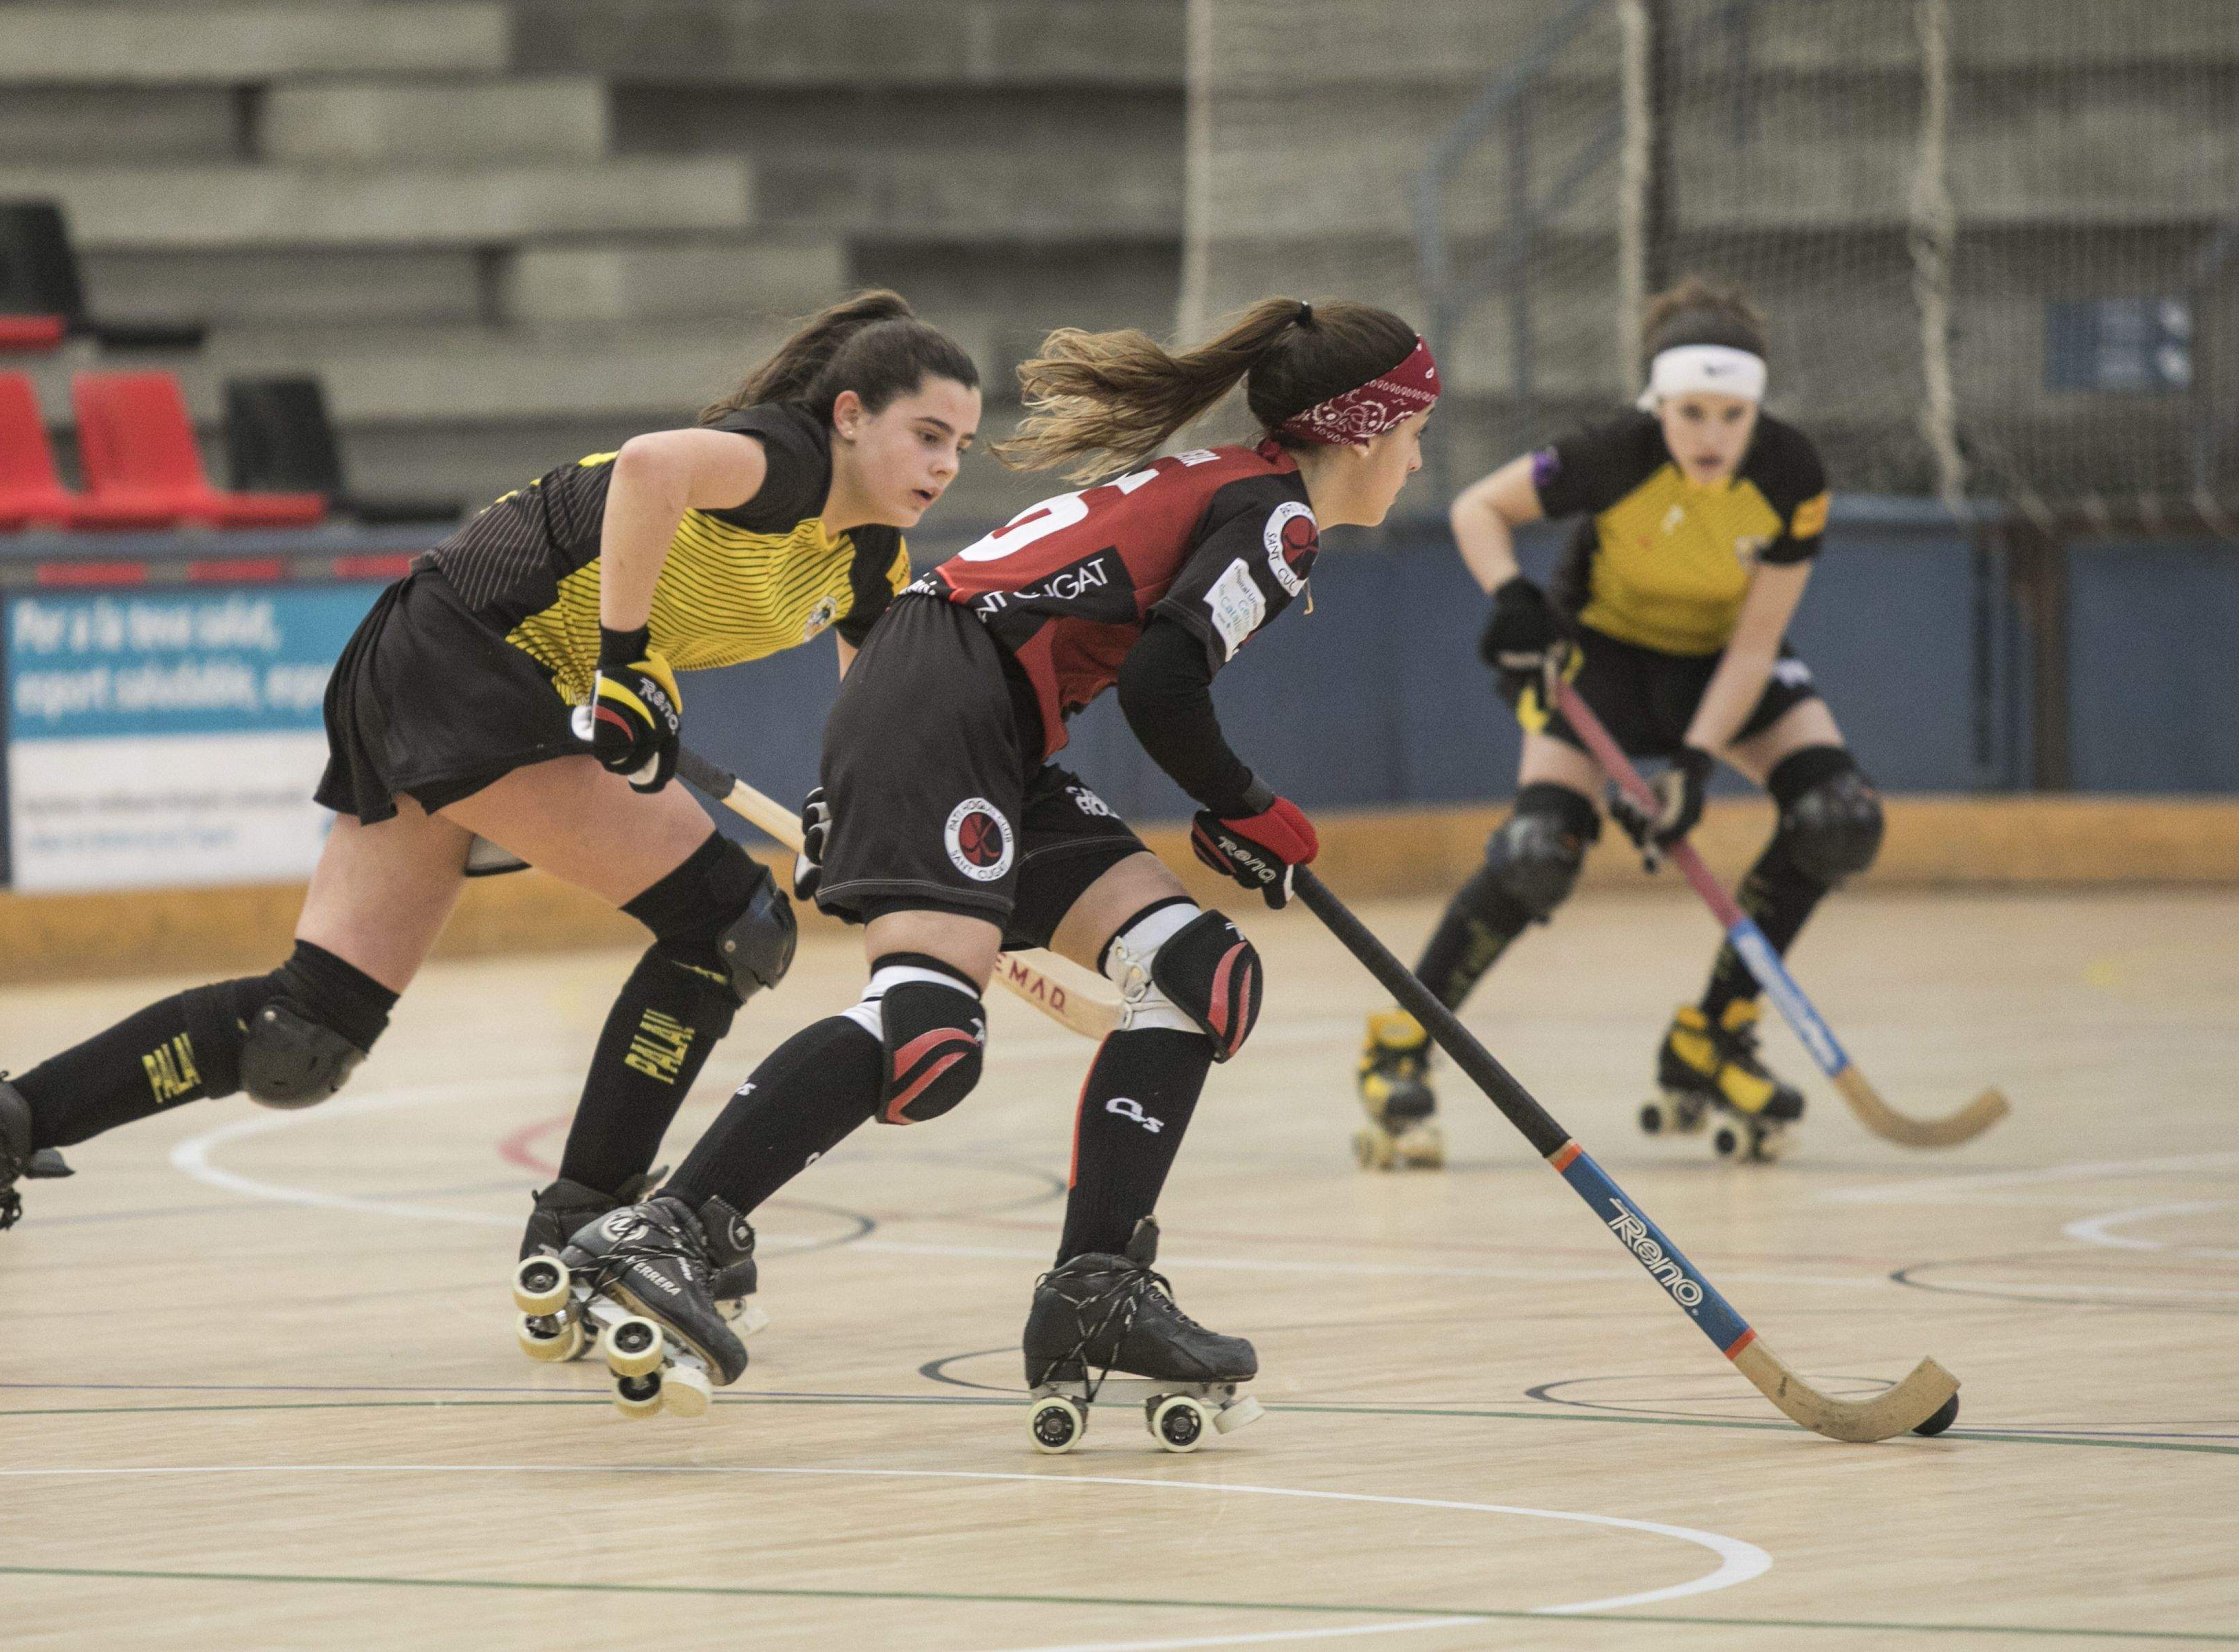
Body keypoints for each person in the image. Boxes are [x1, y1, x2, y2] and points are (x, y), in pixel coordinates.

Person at [0, 292, 983, 1328]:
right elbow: (648, 468)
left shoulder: (868, 554)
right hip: (473, 660)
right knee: (730, 923)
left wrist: (850, 802)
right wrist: (626, 663)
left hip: (446, 664)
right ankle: (594, 1228)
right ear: (846, 416)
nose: (945, 464)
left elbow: (870, 686)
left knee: (308, 1033)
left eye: (962, 447)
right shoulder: (779, 461)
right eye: (926, 435)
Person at [557, 297, 1439, 1407]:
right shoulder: (1275, 518)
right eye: (1412, 433)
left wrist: (1228, 812)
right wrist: (1246, 803)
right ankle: (660, 1228)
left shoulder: (1236, 488)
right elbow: (1167, 686)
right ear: (1361, 429)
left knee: (1197, 976)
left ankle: (1096, 1286)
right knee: (928, 1029)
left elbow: (1151, 674)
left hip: (976, 710)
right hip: (950, 695)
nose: (1415, 460)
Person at [1351, 276, 1874, 1169]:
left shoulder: (1792, 475)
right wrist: (1514, 600)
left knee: (1838, 817)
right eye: (1691, 412)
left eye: (1730, 415)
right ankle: (1402, 1034)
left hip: (1717, 662)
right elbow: (1481, 507)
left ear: (1756, 413)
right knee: (1537, 855)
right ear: (1657, 403)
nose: (1711, 436)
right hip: (1599, 658)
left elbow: (1756, 646)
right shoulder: (1613, 453)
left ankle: (1712, 1034)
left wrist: (1696, 765)